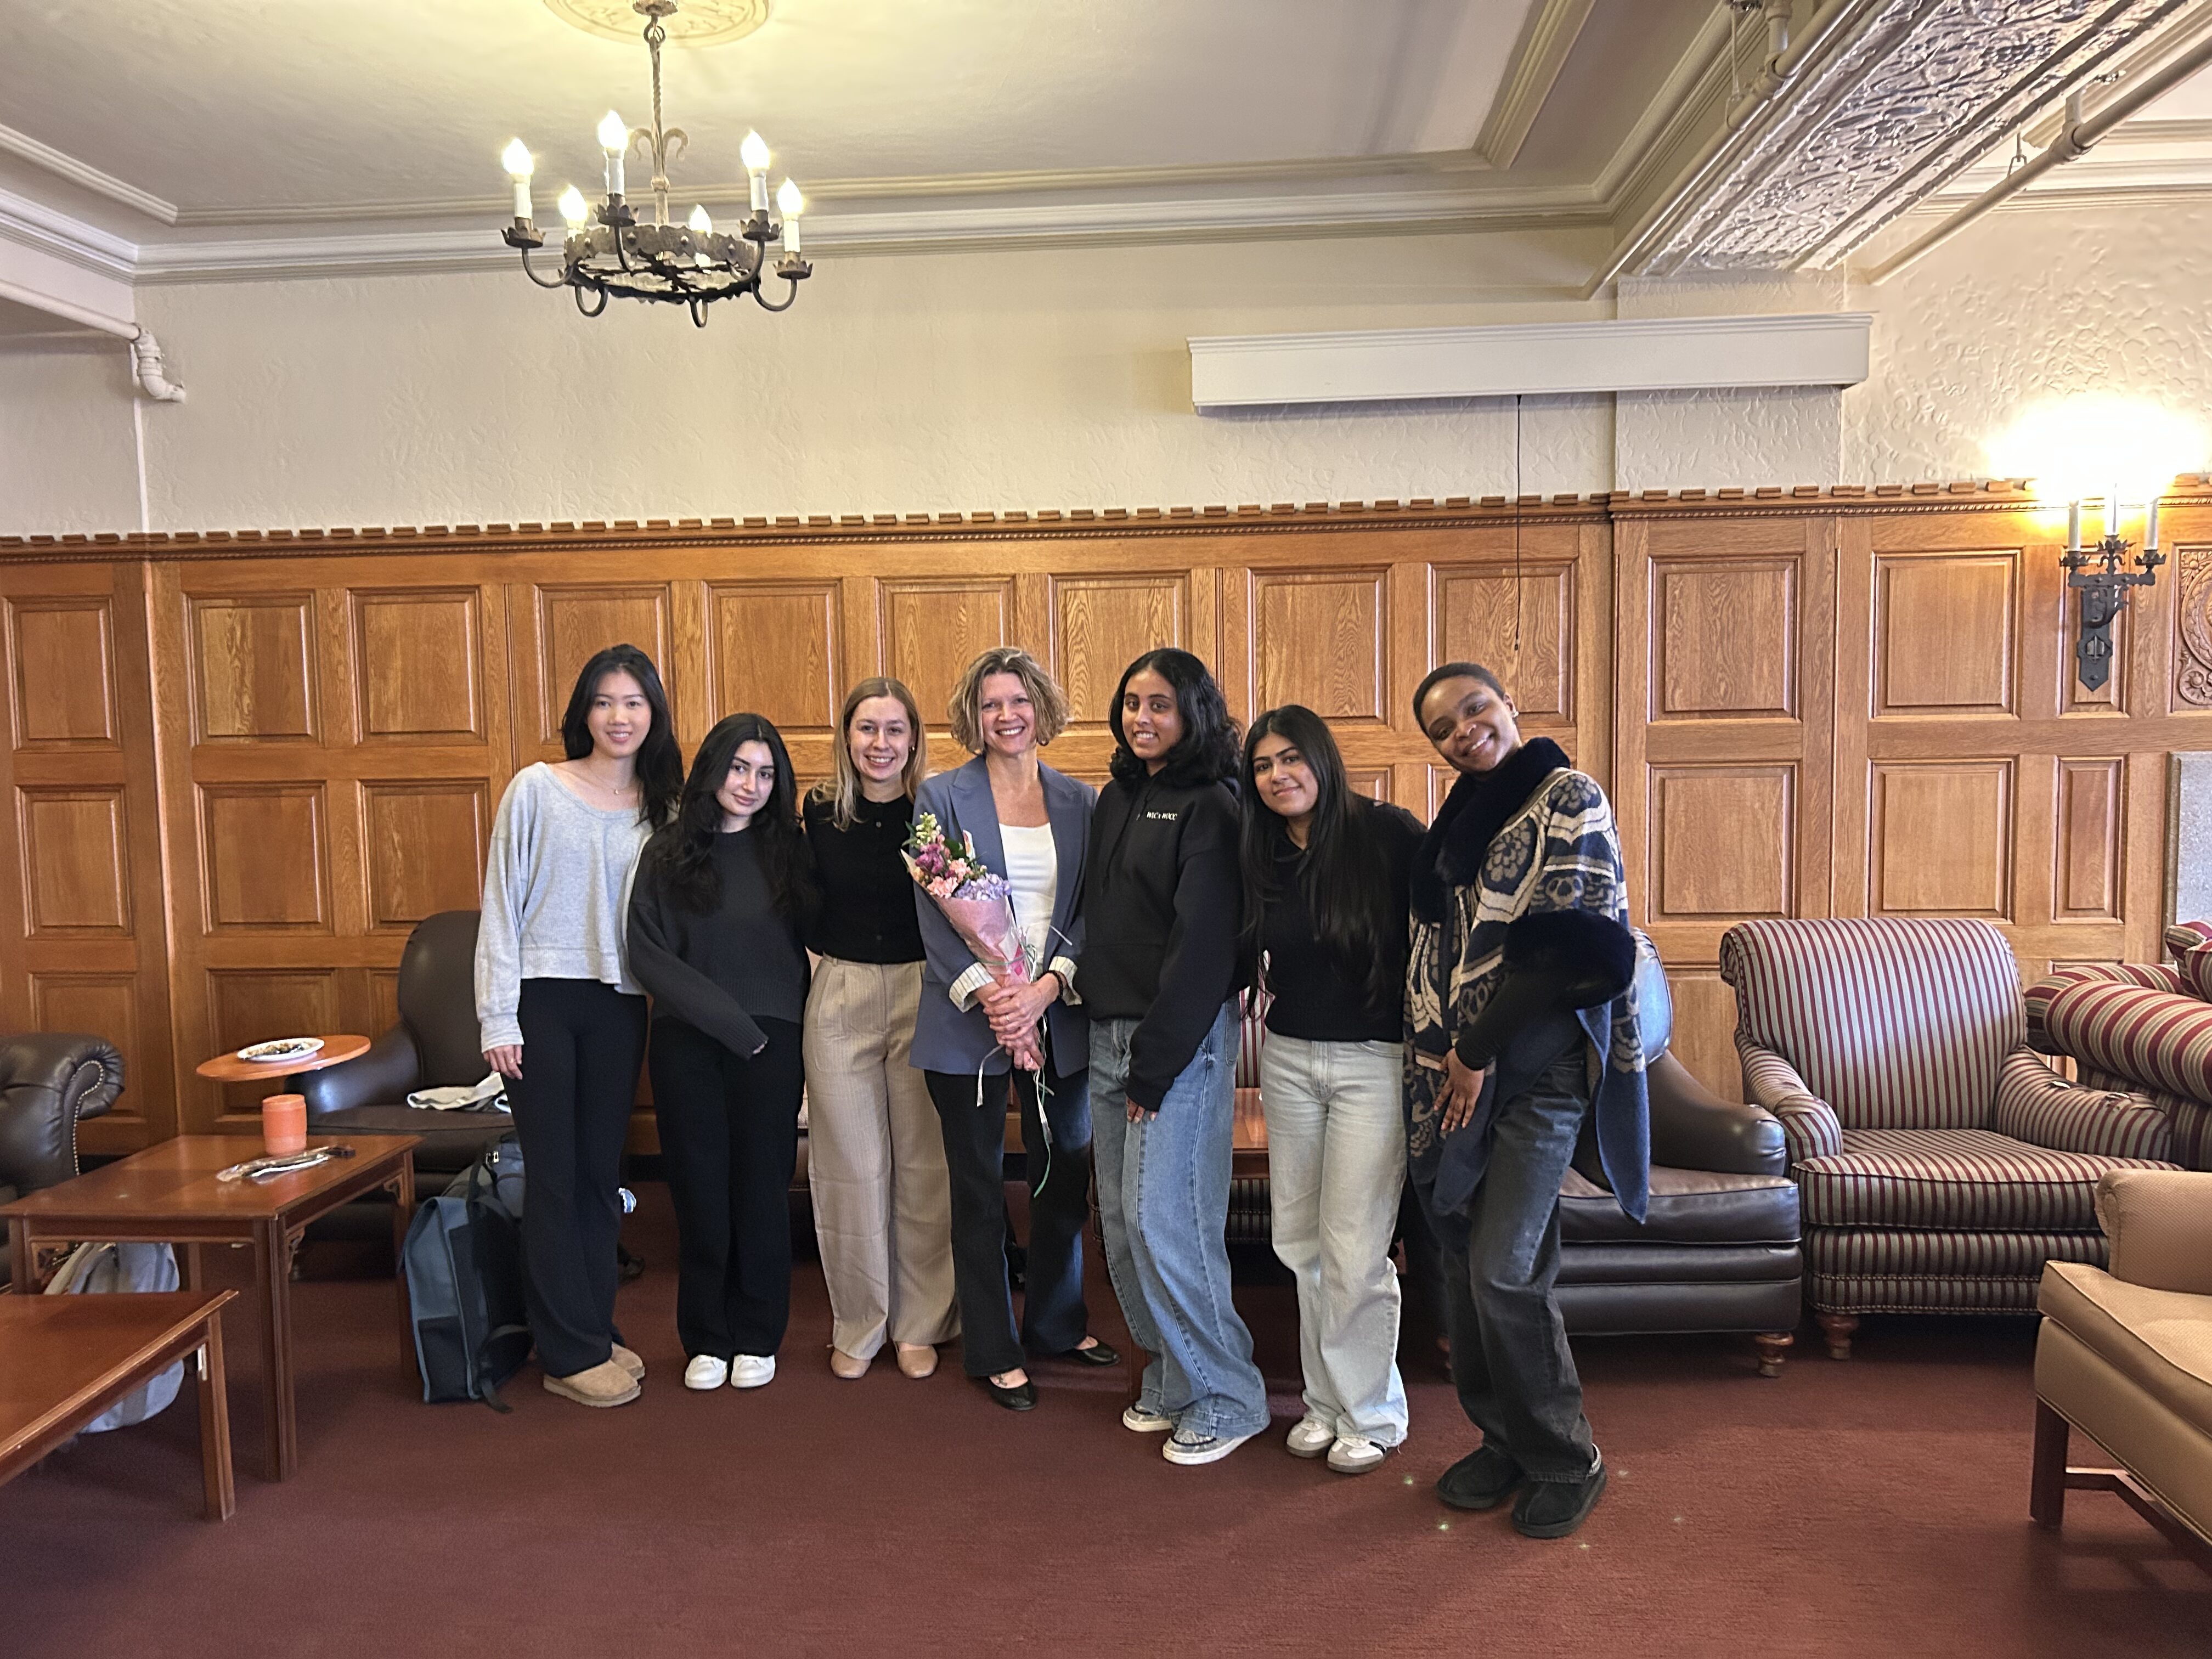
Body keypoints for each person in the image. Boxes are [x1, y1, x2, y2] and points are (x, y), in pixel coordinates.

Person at [1408, 661, 1650, 1540]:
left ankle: (1566, 1456)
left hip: (1534, 1070)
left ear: (1508, 704)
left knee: (1504, 1267)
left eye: (1475, 710)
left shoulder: (1566, 795)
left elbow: (1562, 953)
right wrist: (1447, 1055)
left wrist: (1473, 1052)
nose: (1464, 731)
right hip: (1455, 1073)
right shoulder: (1464, 817)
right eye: (1443, 728)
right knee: (1462, 1260)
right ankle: (1503, 1440)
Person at [476, 643, 682, 1409]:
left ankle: (592, 1328)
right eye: (604, 701)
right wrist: (498, 1015)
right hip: (541, 1002)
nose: (619, 716)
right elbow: (500, 905)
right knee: (555, 1180)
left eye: (633, 702)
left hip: (620, 1003)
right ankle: (564, 1352)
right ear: (583, 713)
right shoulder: (536, 789)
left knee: (603, 1179)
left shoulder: (663, 807)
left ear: (653, 714)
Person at [913, 646, 1116, 1411]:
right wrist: (998, 999)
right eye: (993, 703)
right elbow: (933, 918)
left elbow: (1093, 912)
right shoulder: (941, 795)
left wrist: (1042, 989)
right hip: (967, 1023)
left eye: (1019, 702)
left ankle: (1058, 1324)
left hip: (1057, 1014)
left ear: (1042, 709)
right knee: (976, 1187)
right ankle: (994, 1348)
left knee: (1065, 1175)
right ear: (974, 713)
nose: (1007, 715)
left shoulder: (1081, 801)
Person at [1084, 647, 1268, 1466]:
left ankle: (1230, 1394)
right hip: (1106, 1036)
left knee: (1173, 1227)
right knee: (1123, 1227)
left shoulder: (1214, 806)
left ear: (1193, 711)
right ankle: (1170, 1373)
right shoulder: (1118, 794)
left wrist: (1156, 1062)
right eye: (1131, 703)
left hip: (1176, 1046)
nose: (1142, 718)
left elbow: (1204, 951)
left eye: (1160, 704)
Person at [1239, 704, 1423, 1475]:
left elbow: (1442, 938)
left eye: (1291, 759)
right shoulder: (1262, 851)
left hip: (1372, 1065)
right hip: (1286, 1060)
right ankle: (1325, 1402)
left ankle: (1375, 1411)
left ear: (1322, 758)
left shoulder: (1388, 834)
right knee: (1299, 1243)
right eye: (1262, 765)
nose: (1279, 776)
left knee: (1355, 1248)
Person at [628, 713, 816, 1393]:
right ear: (712, 768)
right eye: (739, 768)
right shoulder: (668, 851)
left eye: (766, 774)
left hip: (773, 1042)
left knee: (761, 1189)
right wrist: (730, 1024)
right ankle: (706, 1335)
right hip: (688, 1040)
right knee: (700, 1188)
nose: (751, 785)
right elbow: (646, 951)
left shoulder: (790, 850)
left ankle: (758, 1334)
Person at [801, 677, 957, 1381]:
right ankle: (860, 1322)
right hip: (841, 992)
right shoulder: (817, 811)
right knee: (850, 1168)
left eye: (895, 730)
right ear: (847, 737)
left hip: (925, 990)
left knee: (925, 1168)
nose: (881, 744)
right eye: (868, 729)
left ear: (915, 740)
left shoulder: (937, 812)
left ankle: (922, 1322)